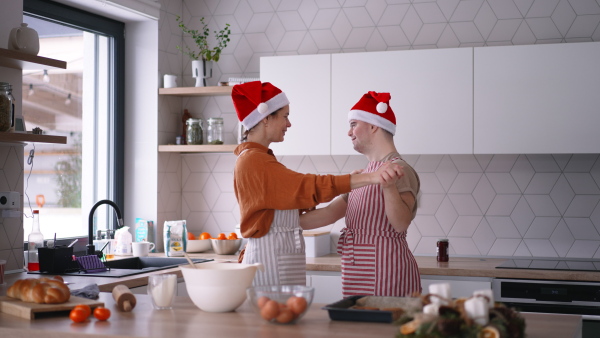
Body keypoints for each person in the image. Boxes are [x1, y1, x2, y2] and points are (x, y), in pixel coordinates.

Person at [232, 82, 405, 286]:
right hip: (269, 262)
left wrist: (357, 181)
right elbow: (307, 186)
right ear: (266, 118)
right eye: (285, 116)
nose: (289, 124)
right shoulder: (253, 160)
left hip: (277, 259)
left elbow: (296, 200)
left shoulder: (260, 159)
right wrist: (370, 178)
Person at [300, 91, 421, 297]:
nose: (349, 132)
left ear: (374, 125)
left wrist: (388, 186)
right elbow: (328, 214)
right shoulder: (364, 175)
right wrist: (278, 220)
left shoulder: (400, 169)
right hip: (356, 273)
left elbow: (401, 223)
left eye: (353, 124)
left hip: (389, 275)